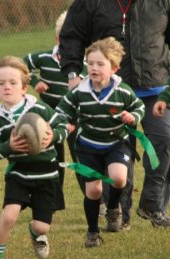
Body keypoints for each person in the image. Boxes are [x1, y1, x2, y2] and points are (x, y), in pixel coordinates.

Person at [59, 0, 170, 228]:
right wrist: (72, 73)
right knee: (116, 151)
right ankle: (117, 210)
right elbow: (72, 34)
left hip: (155, 87)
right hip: (111, 91)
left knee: (164, 139)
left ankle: (152, 203)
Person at [56, 37, 145, 247]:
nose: (93, 68)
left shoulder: (122, 91)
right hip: (88, 146)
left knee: (119, 179)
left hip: (116, 142)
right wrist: (65, 124)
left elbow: (138, 106)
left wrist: (133, 117)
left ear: (113, 68)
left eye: (100, 64)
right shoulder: (79, 91)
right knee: (94, 191)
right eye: (90, 63)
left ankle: (114, 208)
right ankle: (93, 232)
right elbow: (62, 110)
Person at [0, 56, 69, 259]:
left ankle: (36, 234)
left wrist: (52, 137)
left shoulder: (39, 109)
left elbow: (63, 126)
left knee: (42, 226)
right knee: (9, 216)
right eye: (1, 83)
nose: (6, 87)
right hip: (19, 174)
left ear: (24, 88)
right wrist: (8, 147)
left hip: (46, 175)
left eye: (13, 83)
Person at [23, 10, 86, 187]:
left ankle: (96, 201)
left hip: (76, 118)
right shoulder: (43, 58)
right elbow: (20, 65)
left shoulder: (87, 63)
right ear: (57, 38)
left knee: (81, 161)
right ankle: (52, 203)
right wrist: (34, 81)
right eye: (66, 38)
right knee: (53, 161)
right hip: (49, 117)